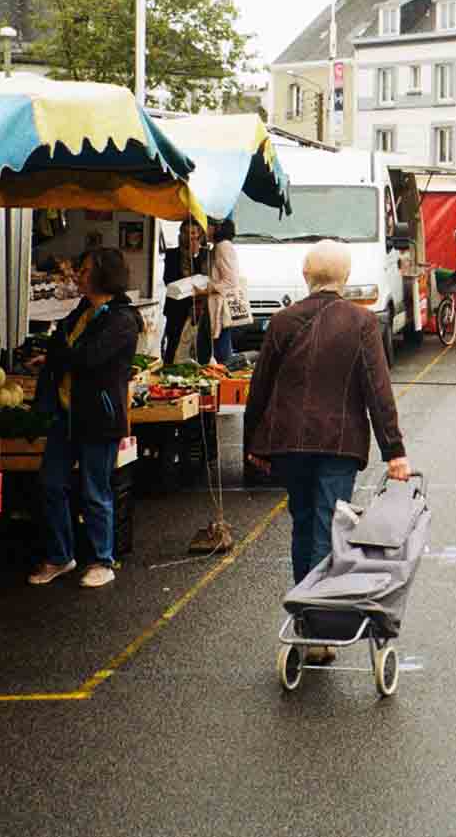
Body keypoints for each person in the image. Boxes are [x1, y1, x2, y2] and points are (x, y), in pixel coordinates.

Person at [244, 240, 412, 658]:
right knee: (326, 526)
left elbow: (260, 385)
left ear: (306, 275)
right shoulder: (361, 322)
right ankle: (317, 627)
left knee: (303, 524)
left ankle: (306, 615)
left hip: (288, 442)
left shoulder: (283, 321)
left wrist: (253, 443)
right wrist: (395, 450)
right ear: (346, 277)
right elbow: (377, 389)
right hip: (339, 442)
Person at [30, 248, 141, 590]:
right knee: (51, 483)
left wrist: (55, 356)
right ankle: (61, 557)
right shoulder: (82, 311)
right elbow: (66, 351)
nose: (78, 273)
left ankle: (102, 560)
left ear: (103, 275)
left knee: (95, 491)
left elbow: (87, 359)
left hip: (99, 417)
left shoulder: (121, 320)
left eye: (86, 268)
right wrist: (54, 357)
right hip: (66, 415)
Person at [161, 220, 210, 364]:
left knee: (198, 347)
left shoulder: (205, 254)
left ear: (200, 235)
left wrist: (195, 255)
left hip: (199, 309)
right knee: (173, 345)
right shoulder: (172, 254)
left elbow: (207, 278)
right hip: (177, 309)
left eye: (193, 233)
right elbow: (168, 279)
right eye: (186, 233)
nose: (190, 237)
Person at [207, 218, 252, 366]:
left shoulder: (223, 247)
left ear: (217, 228)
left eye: (208, 226)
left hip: (222, 308)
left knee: (222, 354)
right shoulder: (217, 247)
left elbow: (231, 281)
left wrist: (209, 288)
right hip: (217, 307)